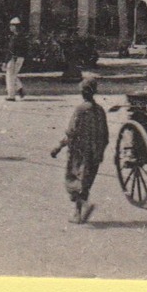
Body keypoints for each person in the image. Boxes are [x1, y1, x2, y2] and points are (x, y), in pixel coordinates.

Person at [50, 76, 109, 223]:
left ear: (82, 93)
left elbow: (71, 132)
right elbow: (106, 134)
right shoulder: (100, 110)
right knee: (86, 182)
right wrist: (100, 151)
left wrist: (58, 147)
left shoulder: (81, 110)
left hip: (80, 153)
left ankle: (82, 207)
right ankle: (78, 214)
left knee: (74, 180)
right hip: (95, 153)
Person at [3, 16, 29, 101]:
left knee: (10, 76)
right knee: (13, 75)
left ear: (15, 27)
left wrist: (6, 61)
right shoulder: (20, 37)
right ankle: (20, 89)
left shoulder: (16, 37)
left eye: (11, 25)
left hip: (14, 59)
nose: (10, 27)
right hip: (17, 58)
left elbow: (11, 50)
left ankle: (11, 95)